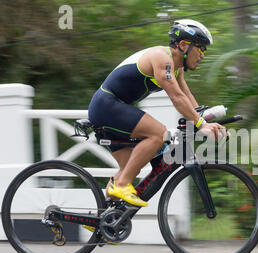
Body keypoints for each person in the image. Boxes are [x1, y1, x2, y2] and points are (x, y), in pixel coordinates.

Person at [88, 19, 225, 207]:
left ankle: (102, 221)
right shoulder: (162, 58)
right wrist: (201, 124)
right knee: (158, 134)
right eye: (201, 48)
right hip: (106, 105)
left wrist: (205, 118)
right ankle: (120, 185)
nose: (203, 54)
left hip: (113, 108)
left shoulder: (177, 69)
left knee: (130, 168)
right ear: (184, 45)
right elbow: (176, 97)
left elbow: (186, 95)